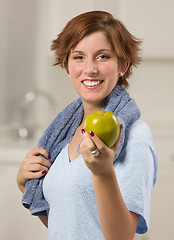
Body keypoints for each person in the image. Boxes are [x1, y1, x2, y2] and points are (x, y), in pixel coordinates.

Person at [17, 10, 158, 240]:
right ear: (66, 66)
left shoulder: (134, 135)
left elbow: (122, 237)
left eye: (103, 56)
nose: (90, 68)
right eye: (79, 57)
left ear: (123, 65)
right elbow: (69, 224)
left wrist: (103, 173)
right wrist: (25, 184)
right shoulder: (62, 136)